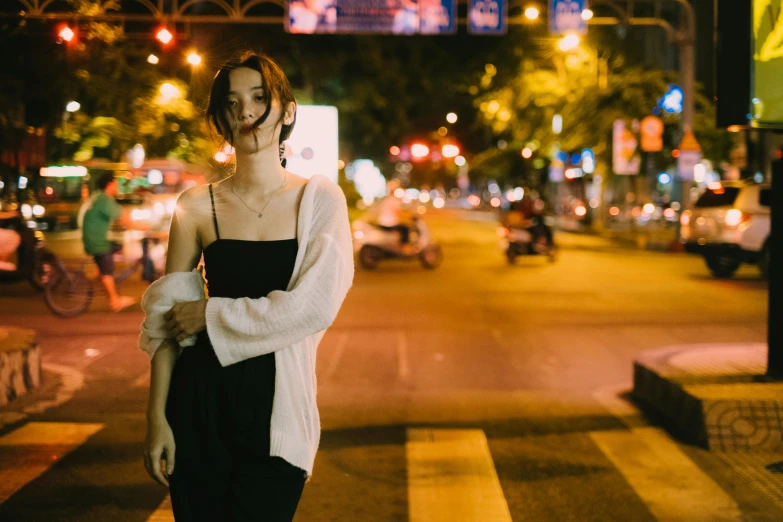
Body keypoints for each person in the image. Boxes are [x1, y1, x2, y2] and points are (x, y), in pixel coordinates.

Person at [140, 52, 354, 522]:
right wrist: (157, 418)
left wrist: (212, 314)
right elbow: (164, 322)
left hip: (278, 413)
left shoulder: (318, 199)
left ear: (287, 110)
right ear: (220, 118)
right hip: (198, 405)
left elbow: (313, 307)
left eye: (259, 97)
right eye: (232, 102)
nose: (246, 111)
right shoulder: (196, 207)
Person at [81, 172, 137, 312]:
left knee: (118, 247)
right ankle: (114, 301)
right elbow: (124, 220)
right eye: (116, 184)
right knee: (108, 269)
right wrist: (147, 227)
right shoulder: (104, 200)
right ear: (109, 185)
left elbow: (118, 216)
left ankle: (99, 271)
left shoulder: (99, 197)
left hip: (92, 238)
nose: (118, 187)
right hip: (97, 241)